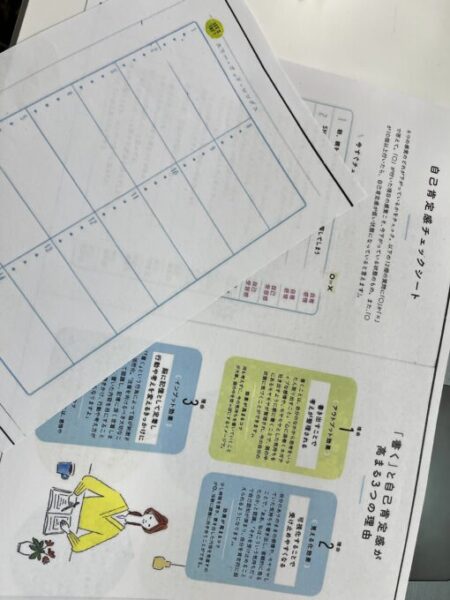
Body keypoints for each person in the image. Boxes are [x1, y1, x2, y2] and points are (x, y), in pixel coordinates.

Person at [60, 475, 168, 553]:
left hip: (63, 521)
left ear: (147, 529)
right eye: (150, 518)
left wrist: (68, 531)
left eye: (149, 525)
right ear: (149, 512)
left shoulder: (113, 531)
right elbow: (88, 480)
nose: (147, 521)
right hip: (65, 501)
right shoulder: (118, 500)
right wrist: (75, 494)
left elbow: (79, 546)